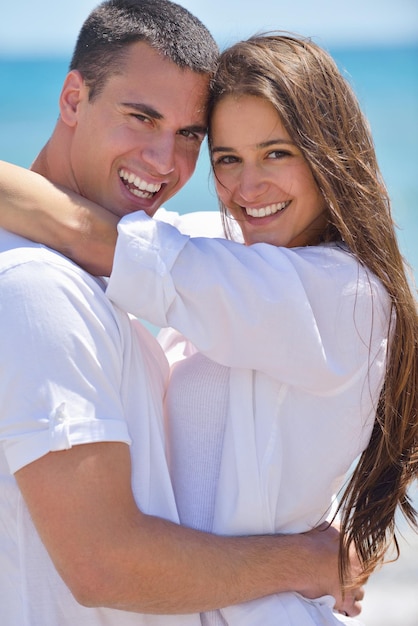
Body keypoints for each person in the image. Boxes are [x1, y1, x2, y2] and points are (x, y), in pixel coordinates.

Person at [1, 31, 417, 626]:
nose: (248, 189)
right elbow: (139, 232)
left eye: (278, 153)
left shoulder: (342, 294)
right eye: (227, 159)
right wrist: (315, 556)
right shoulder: (240, 258)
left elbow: (92, 234)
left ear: (328, 154)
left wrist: (311, 561)